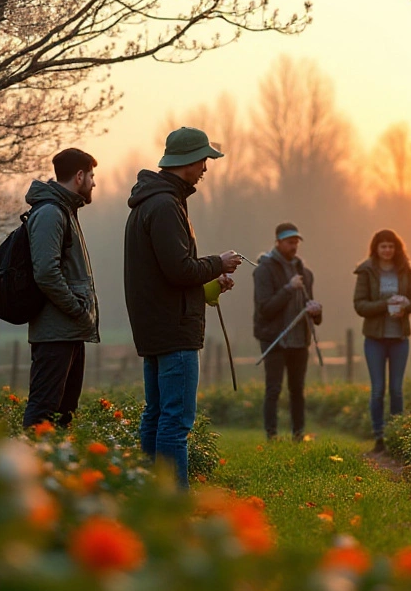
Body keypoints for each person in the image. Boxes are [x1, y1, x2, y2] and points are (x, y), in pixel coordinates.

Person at [125, 126, 242, 489]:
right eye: (203, 159)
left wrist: (208, 283)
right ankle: (174, 504)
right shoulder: (164, 205)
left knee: (156, 415)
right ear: (188, 161)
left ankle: (150, 495)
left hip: (158, 327)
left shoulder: (154, 201)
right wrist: (217, 263)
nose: (206, 167)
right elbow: (178, 270)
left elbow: (168, 275)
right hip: (174, 332)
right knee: (175, 422)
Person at [22, 148, 100, 432]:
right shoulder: (51, 213)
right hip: (56, 330)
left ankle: (57, 472)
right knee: (43, 411)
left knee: (64, 414)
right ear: (79, 176)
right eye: (91, 176)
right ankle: (30, 472)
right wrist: (76, 309)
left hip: (68, 329)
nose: (94, 183)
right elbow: (46, 272)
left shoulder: (64, 210)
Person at [353, 229, 411, 453]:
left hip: (399, 337)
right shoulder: (366, 271)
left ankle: (396, 435)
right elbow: (360, 306)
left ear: (396, 248)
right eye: (383, 246)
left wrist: (405, 305)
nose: (387, 250)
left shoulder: (406, 270)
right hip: (374, 338)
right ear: (376, 248)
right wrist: (385, 304)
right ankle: (379, 437)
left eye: (391, 246)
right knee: (378, 389)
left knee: (397, 389)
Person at [253, 222, 322, 441]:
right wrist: (288, 289)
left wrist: (316, 311)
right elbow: (265, 309)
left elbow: (311, 308)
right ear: (278, 242)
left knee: (297, 390)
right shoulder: (263, 270)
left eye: (296, 242)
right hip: (274, 338)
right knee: (273, 389)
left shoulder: (306, 273)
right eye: (289, 242)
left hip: (300, 339)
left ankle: (298, 435)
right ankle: (271, 436)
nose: (294, 246)